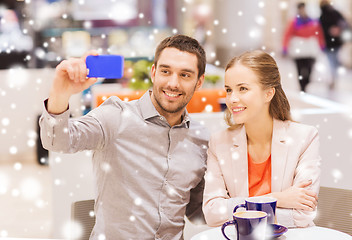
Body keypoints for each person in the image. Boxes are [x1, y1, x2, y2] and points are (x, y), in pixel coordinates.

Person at [39, 34, 209, 239]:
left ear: (199, 82)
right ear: (154, 72)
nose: (173, 83)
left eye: (185, 75)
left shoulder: (200, 140)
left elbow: (199, 213)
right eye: (166, 71)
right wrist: (61, 92)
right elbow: (56, 140)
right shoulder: (116, 116)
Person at [202, 50, 321, 228]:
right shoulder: (219, 143)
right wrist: (277, 199)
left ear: (268, 93)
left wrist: (239, 209)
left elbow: (302, 215)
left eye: (243, 88)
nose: (232, 99)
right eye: (228, 90)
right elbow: (212, 213)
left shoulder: (305, 138)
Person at [282, 2, 326, 92]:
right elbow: (287, 34)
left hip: (310, 49)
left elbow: (319, 33)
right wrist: (284, 47)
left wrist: (322, 44)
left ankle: (306, 82)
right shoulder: (294, 22)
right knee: (300, 68)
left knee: (310, 68)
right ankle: (302, 86)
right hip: (299, 49)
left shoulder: (313, 21)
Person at [319, 0, 348, 89]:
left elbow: (344, 23)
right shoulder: (330, 14)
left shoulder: (326, 15)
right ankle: (333, 77)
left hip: (333, 42)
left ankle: (333, 77)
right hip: (331, 42)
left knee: (333, 61)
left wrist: (337, 29)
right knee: (333, 61)